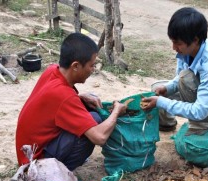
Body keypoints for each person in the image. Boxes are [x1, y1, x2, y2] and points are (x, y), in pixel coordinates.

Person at [16, 32, 127, 171]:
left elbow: (54, 103)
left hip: (28, 153)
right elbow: (99, 137)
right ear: (75, 66)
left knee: (87, 110)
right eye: (91, 65)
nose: (93, 70)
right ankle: (59, 173)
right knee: (94, 120)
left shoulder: (51, 70)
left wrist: (79, 98)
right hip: (35, 167)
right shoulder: (64, 96)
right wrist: (116, 111)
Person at [142, 7, 208, 135]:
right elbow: (179, 79)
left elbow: (199, 110)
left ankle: (204, 125)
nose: (174, 48)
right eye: (172, 42)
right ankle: (167, 125)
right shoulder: (188, 50)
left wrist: (161, 102)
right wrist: (168, 88)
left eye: (177, 43)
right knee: (158, 89)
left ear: (195, 40)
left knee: (184, 81)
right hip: (201, 87)